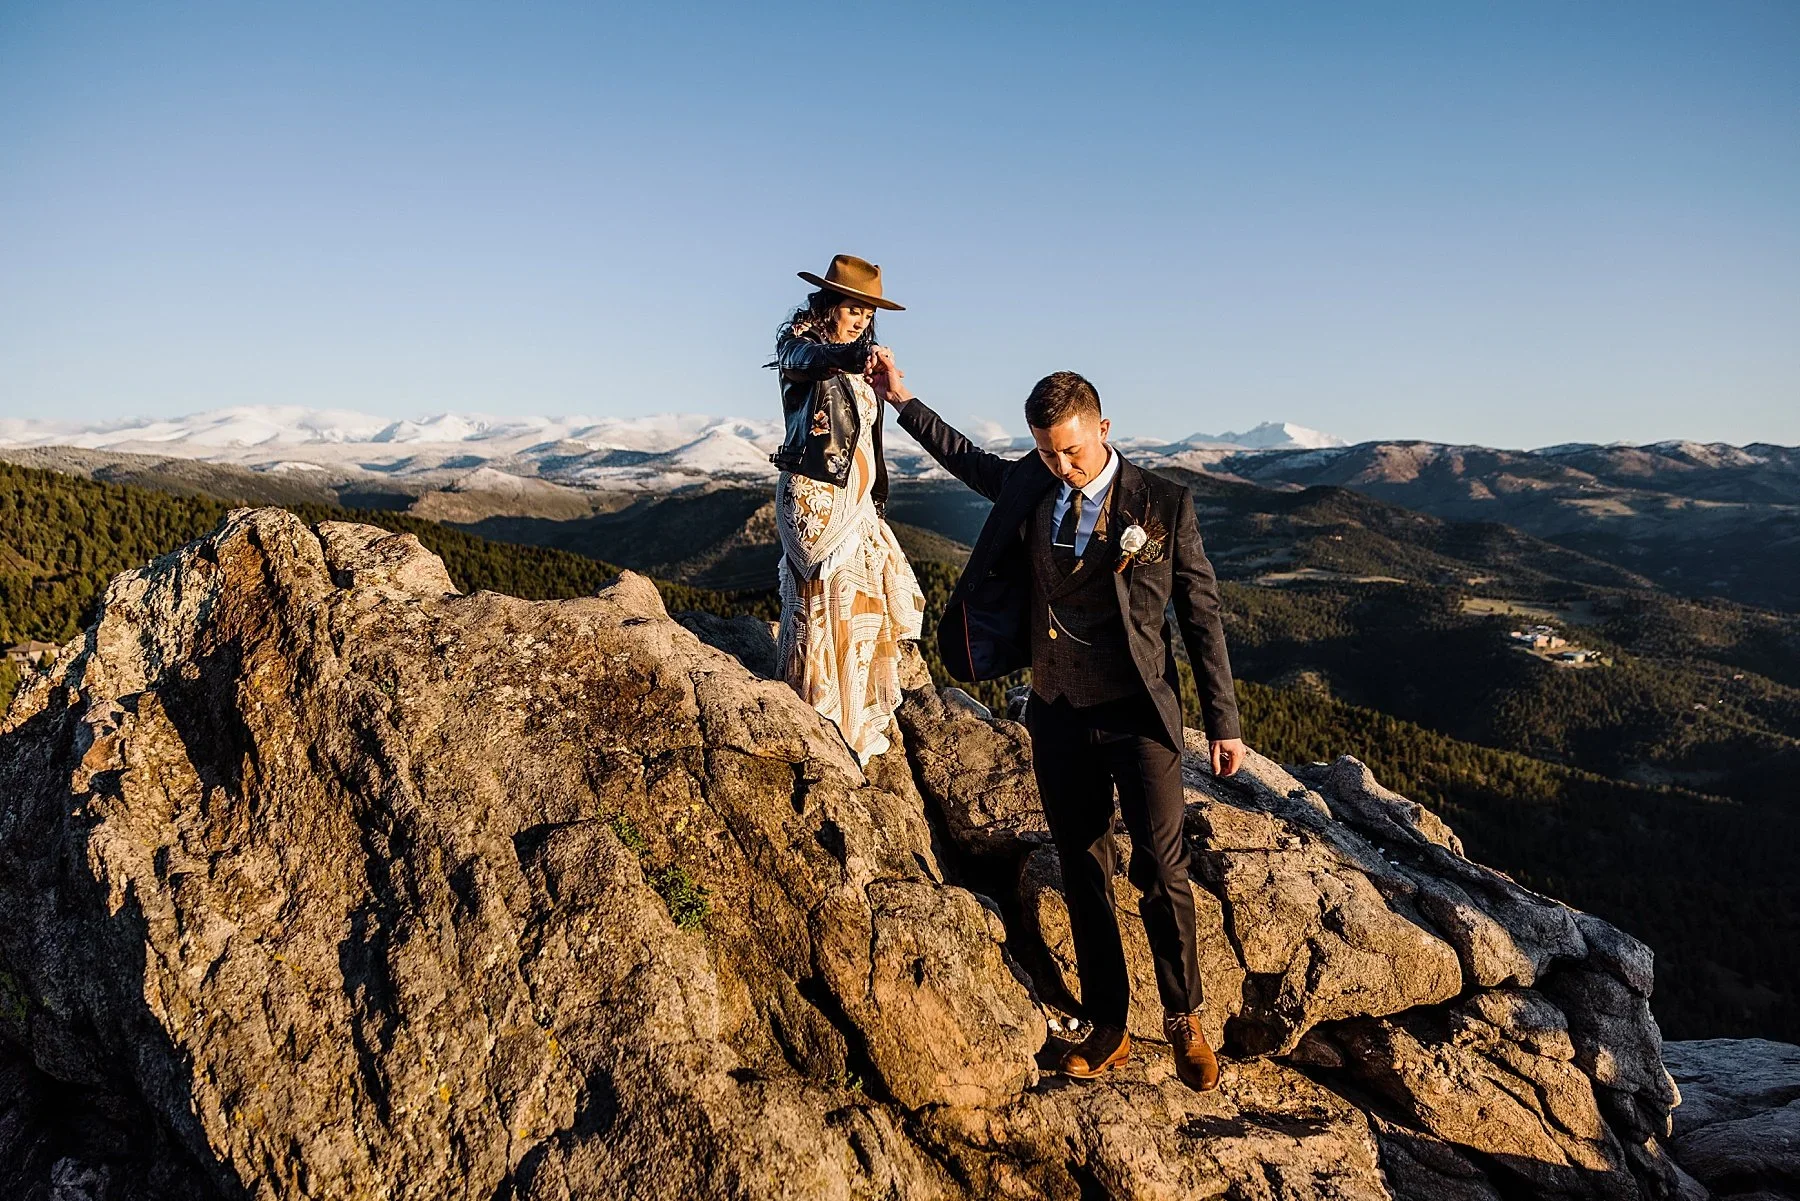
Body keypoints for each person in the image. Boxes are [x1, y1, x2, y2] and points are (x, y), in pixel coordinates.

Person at [869, 351, 1245, 1092]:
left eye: (1071, 449)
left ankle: (1184, 1018)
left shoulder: (1163, 504)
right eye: (1047, 451)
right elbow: (967, 460)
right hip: (1059, 713)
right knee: (1082, 865)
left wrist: (1223, 722)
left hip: (1140, 715)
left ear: (1103, 428)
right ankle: (1109, 1025)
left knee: (1162, 868)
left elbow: (1201, 617)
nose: (1061, 465)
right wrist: (903, 400)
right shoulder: (1034, 484)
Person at [767, 255, 925, 764]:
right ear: (828, 303)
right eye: (853, 307)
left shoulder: (858, 357)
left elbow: (869, 440)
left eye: (868, 311)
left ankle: (850, 725)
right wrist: (854, 354)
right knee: (825, 603)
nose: (861, 318)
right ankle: (816, 717)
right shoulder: (799, 344)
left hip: (854, 501)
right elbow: (807, 359)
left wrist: (877, 499)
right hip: (814, 496)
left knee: (860, 604)